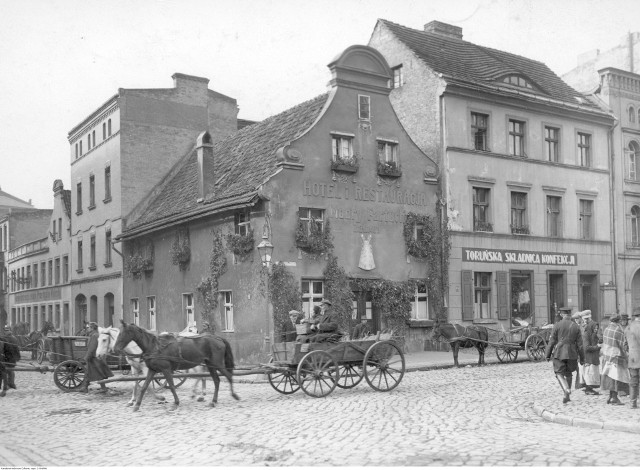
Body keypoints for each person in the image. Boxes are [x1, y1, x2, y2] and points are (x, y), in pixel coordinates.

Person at [545, 307, 584, 404]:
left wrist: (548, 354)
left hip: (560, 353)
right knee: (569, 373)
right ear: (570, 315)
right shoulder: (575, 326)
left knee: (558, 373)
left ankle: (566, 389)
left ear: (562, 315)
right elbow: (580, 345)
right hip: (572, 353)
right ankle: (567, 395)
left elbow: (552, 341)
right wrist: (582, 358)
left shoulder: (557, 325)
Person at [600, 314, 630, 405]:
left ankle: (610, 396)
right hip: (616, 357)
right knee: (616, 377)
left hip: (607, 356)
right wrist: (626, 356)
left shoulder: (606, 329)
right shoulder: (619, 330)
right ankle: (614, 398)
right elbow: (622, 345)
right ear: (619, 321)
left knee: (609, 377)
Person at [77, 322, 113, 393]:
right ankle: (86, 387)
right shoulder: (95, 334)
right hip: (95, 357)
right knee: (93, 372)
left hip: (94, 358)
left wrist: (87, 357)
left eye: (88, 327)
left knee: (98, 373)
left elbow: (92, 348)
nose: (87, 329)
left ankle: (101, 388)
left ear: (92, 328)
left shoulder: (94, 335)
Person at [580, 310, 601, 395]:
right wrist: (597, 347)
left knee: (590, 370)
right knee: (590, 370)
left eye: (587, 318)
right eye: (584, 319)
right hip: (590, 350)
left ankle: (588, 388)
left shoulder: (591, 325)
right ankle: (588, 388)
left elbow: (597, 336)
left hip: (591, 350)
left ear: (590, 317)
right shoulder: (587, 326)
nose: (585, 320)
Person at [625, 309, 640, 409]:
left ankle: (632, 403)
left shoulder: (628, 327)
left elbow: (624, 345)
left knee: (633, 381)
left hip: (632, 357)